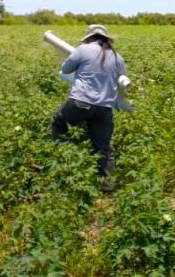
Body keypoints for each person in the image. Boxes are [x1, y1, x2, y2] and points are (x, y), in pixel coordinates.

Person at [51, 24, 128, 192]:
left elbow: (65, 69)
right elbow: (122, 79)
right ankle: (107, 186)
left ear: (90, 38)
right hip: (104, 108)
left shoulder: (83, 49)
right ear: (105, 39)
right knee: (104, 147)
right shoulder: (118, 57)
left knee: (58, 123)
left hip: (80, 102)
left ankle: (63, 162)